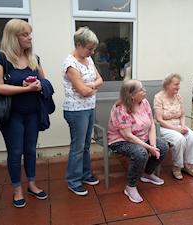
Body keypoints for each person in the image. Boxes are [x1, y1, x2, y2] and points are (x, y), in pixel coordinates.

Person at [0, 19, 48, 208]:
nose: (30, 37)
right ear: (13, 37)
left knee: (31, 150)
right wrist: (24, 89)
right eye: (25, 34)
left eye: (30, 33)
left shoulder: (34, 58)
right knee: (15, 152)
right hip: (11, 115)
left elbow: (44, 81)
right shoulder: (0, 57)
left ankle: (31, 184)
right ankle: (17, 190)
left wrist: (38, 85)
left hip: (32, 113)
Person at [108, 79, 168, 203]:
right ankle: (130, 187)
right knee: (141, 153)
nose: (145, 91)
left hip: (142, 137)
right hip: (120, 141)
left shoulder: (144, 102)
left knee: (163, 146)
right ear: (131, 95)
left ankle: (147, 173)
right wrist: (148, 147)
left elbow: (151, 124)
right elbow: (128, 136)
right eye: (141, 89)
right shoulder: (121, 109)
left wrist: (153, 145)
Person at [63, 27, 103, 196]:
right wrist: (91, 88)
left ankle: (85, 174)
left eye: (93, 48)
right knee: (78, 147)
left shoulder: (89, 60)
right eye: (89, 48)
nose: (92, 52)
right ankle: (73, 180)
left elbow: (101, 80)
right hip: (76, 111)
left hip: (89, 107)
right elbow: (82, 91)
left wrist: (91, 86)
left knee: (86, 145)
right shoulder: (70, 64)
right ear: (78, 45)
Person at [154, 74, 193, 180]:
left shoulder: (178, 97)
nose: (178, 87)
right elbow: (159, 119)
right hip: (163, 127)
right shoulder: (158, 97)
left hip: (178, 125)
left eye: (179, 84)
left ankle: (187, 165)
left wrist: (183, 126)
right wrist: (177, 129)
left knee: (192, 136)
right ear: (167, 85)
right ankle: (177, 166)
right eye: (176, 84)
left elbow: (182, 115)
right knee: (180, 139)